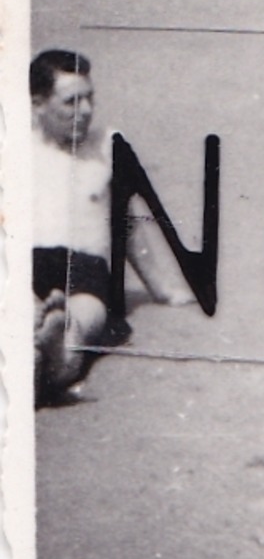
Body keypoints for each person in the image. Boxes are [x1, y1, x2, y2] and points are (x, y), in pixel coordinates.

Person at [31, 49, 189, 403]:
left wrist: (162, 288)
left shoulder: (105, 146)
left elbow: (127, 225)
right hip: (27, 259)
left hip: (85, 266)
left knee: (89, 310)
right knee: (21, 302)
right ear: (38, 104)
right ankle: (41, 348)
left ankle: (61, 342)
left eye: (90, 98)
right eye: (71, 102)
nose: (86, 110)